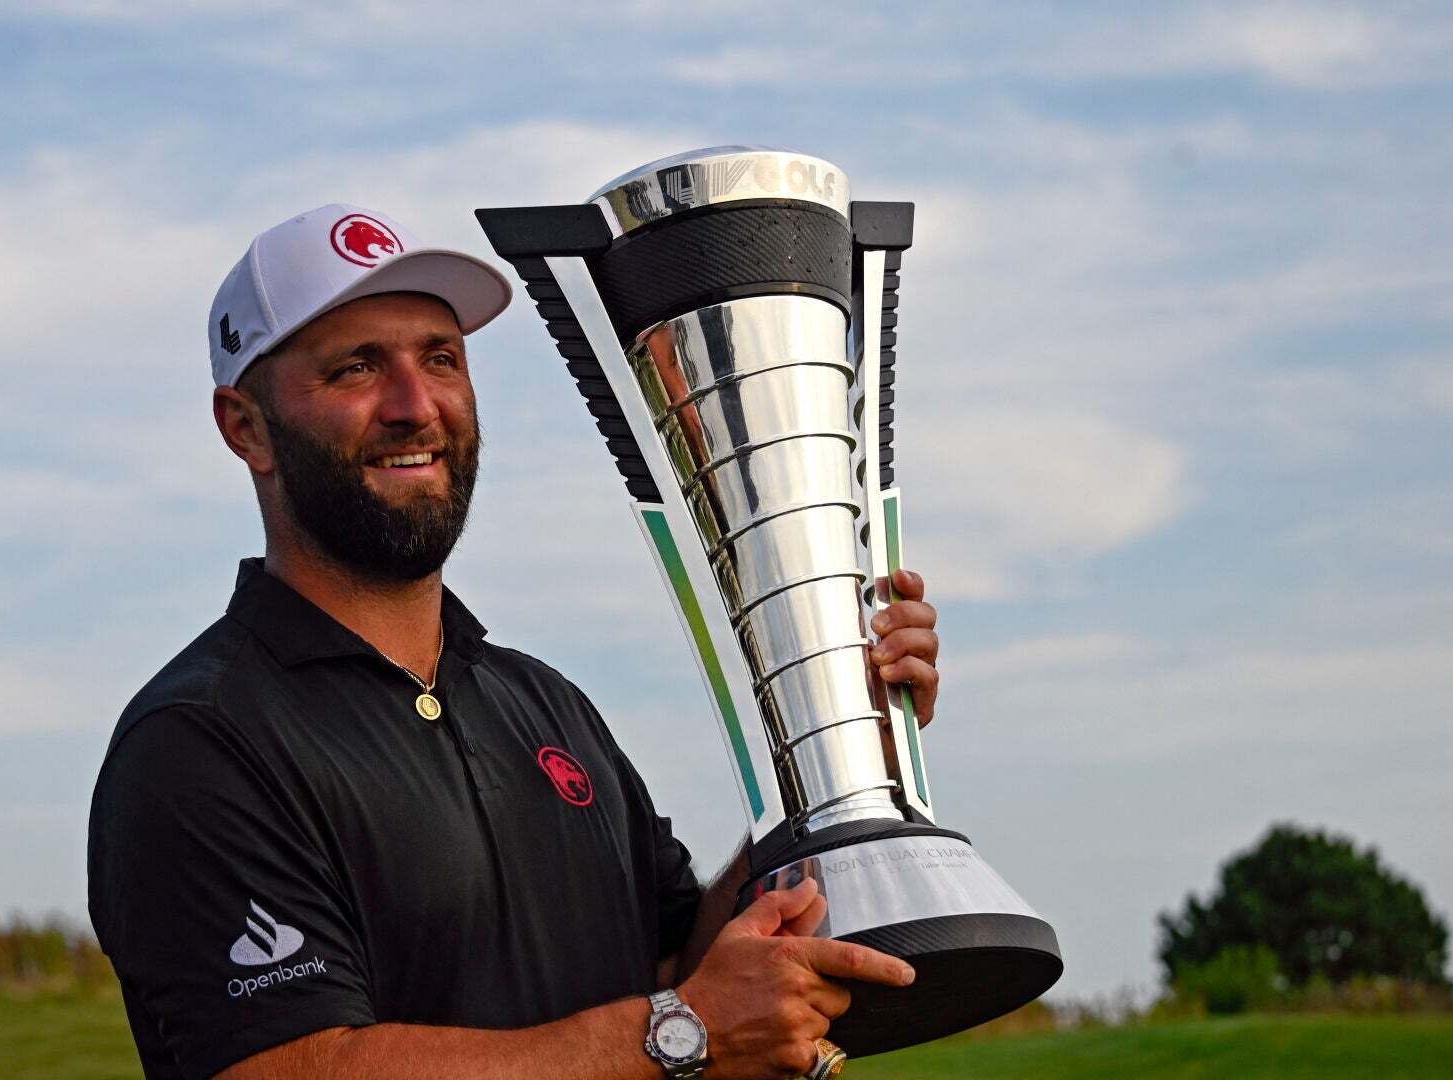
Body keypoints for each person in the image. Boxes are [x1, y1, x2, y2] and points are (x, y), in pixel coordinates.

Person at [87, 204, 944, 1080]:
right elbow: (287, 1066)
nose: (415, 406)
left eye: (441, 359)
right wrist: (679, 1032)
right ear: (248, 428)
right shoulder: (200, 738)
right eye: (355, 369)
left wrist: (841, 744)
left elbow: (678, 973)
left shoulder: (543, 703)